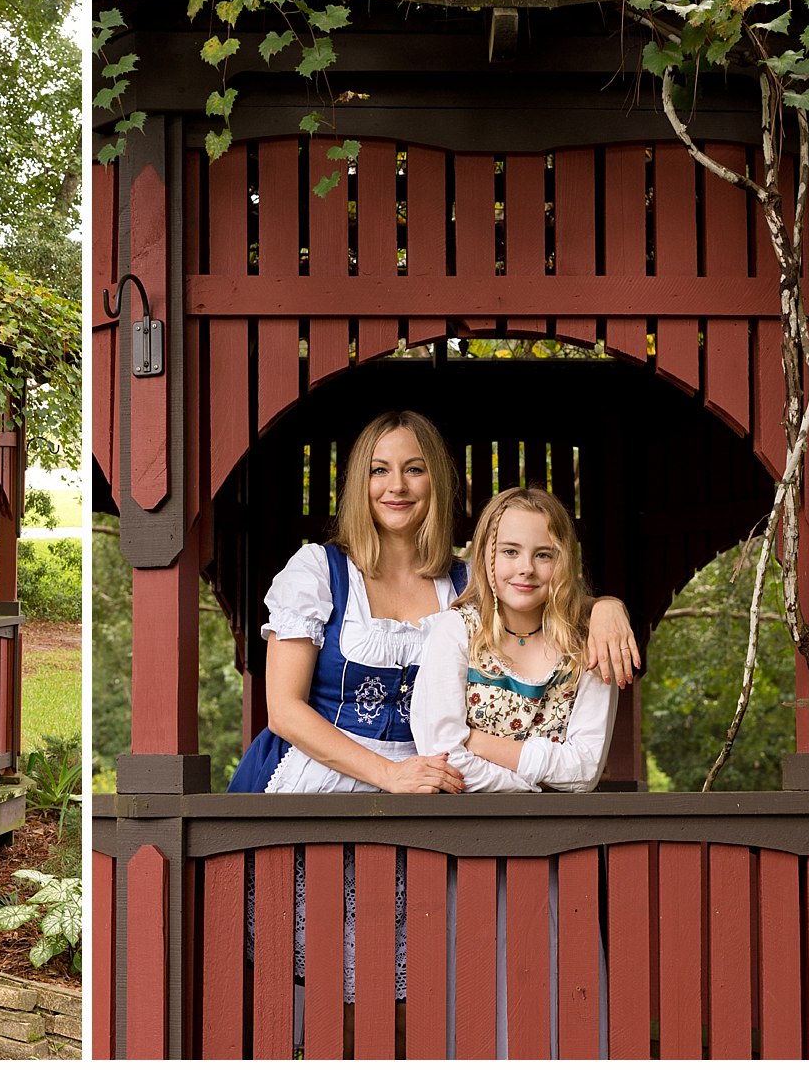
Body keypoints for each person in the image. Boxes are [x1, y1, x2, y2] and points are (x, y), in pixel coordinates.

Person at [225, 410, 637, 1021]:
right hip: (320, 778)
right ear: (358, 485)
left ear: (437, 481)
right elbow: (284, 711)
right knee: (295, 995)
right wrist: (388, 775)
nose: (397, 486)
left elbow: (552, 597)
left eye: (414, 469)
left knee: (436, 978)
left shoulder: (472, 584)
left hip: (440, 788)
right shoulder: (319, 571)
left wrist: (607, 605)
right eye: (380, 470)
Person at [411, 486, 617, 792]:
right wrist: (531, 789)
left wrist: (475, 741)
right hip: (457, 830)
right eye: (510, 551)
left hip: (566, 835)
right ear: (485, 556)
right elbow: (442, 756)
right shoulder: (457, 630)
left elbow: (584, 771)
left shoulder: (589, 644)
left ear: (563, 562)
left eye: (543, 555)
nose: (526, 568)